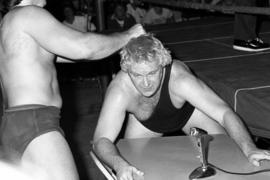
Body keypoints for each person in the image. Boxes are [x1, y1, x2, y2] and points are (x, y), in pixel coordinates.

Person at [0, 1, 145, 180]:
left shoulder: (8, 23)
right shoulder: (29, 14)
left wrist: (115, 43)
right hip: (36, 123)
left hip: (12, 125)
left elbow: (72, 53)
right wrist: (130, 34)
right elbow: (84, 48)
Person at [93, 34, 270, 180]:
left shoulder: (181, 80)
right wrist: (119, 164)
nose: (145, 83)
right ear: (126, 69)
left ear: (163, 65)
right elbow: (101, 139)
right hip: (145, 124)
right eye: (137, 75)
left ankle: (250, 146)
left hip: (188, 115)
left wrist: (249, 148)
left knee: (226, 157)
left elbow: (224, 113)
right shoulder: (120, 90)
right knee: (132, 172)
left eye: (152, 73)